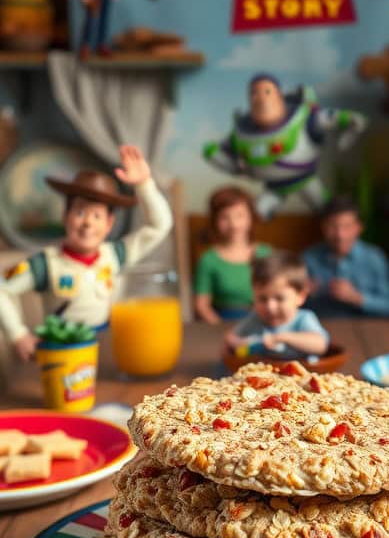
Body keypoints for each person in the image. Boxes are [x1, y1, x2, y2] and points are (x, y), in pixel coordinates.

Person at [0, 144, 173, 361]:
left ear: (109, 224)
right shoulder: (45, 263)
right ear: (65, 216)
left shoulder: (116, 254)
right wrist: (18, 334)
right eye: (80, 212)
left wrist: (144, 185)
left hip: (109, 347)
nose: (87, 223)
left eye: (97, 216)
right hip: (65, 351)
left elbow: (160, 226)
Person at [203, 73, 366, 219]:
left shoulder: (304, 118)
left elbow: (333, 118)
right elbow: (225, 155)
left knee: (328, 210)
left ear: (279, 95)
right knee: (256, 214)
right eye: (254, 93)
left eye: (267, 91)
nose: (261, 98)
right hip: (274, 188)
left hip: (306, 180)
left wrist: (352, 122)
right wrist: (216, 156)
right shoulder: (241, 132)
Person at [304, 196, 389, 318]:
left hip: (365, 329)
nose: (340, 235)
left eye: (347, 226)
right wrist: (302, 294)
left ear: (359, 228)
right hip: (319, 327)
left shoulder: (374, 258)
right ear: (323, 227)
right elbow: (296, 308)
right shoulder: (309, 257)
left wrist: (356, 298)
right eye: (333, 226)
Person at [224, 251, 329, 359]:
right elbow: (230, 338)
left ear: (300, 297)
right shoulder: (255, 318)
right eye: (262, 299)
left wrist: (283, 338)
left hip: (304, 373)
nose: (270, 307)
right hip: (265, 373)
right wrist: (241, 344)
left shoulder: (303, 318)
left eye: (279, 299)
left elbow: (320, 345)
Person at [194, 187, 272, 324]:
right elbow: (201, 306)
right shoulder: (208, 260)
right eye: (224, 217)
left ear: (251, 217)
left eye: (240, 215)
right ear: (215, 221)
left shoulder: (266, 254)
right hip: (220, 325)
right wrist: (221, 329)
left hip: (263, 321)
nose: (234, 224)